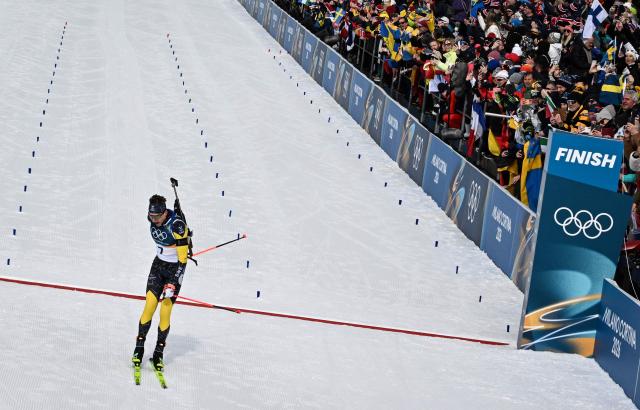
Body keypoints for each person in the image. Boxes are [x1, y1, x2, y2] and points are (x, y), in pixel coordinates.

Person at [132, 194, 189, 372]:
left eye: (157, 217)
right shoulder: (152, 216)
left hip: (174, 270)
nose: (154, 220)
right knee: (149, 305)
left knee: (165, 311)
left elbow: (183, 261)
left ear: (165, 213)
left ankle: (158, 353)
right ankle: (138, 350)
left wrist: (173, 283)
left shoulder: (177, 226)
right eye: (151, 216)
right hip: (158, 265)